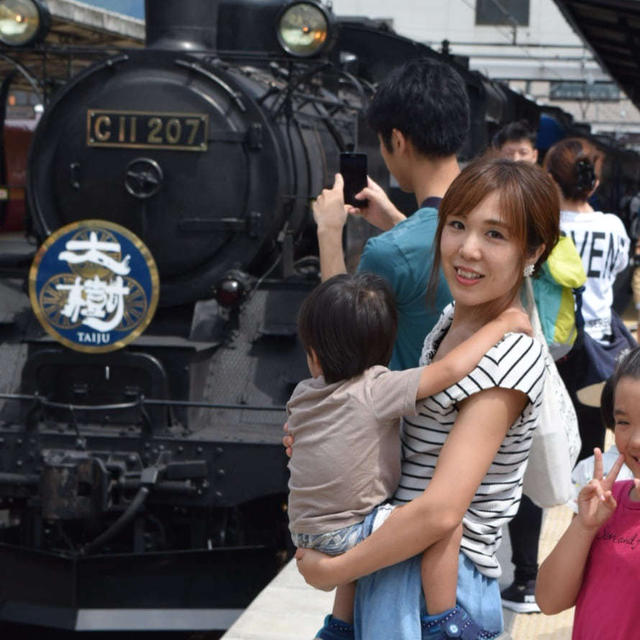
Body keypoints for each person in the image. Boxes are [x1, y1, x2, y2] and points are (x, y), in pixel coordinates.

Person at [295, 158, 560, 640]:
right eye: (457, 225)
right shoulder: (453, 321)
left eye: (495, 235)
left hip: (440, 589)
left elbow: (442, 510)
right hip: (393, 561)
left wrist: (335, 570)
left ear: (533, 252)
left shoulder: (510, 357)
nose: (468, 249)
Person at [288, 272, 532, 639]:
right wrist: (504, 323)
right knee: (445, 526)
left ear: (313, 356)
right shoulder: (376, 387)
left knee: (365, 517)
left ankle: (340, 628)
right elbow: (448, 370)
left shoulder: (304, 393)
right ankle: (444, 621)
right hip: (347, 532)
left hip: (307, 532)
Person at [312, 56, 470, 370]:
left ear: (397, 141)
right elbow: (432, 244)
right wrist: (397, 221)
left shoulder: (390, 252)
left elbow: (339, 351)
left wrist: (329, 231)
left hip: (415, 415)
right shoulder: (498, 217)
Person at [492, 121, 586, 614]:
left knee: (518, 463)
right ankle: (523, 574)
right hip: (545, 347)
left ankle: (524, 574)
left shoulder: (540, 224)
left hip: (532, 348)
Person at [536, 347, 640, 639]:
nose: (635, 440)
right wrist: (583, 527)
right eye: (624, 422)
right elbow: (550, 600)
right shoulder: (607, 502)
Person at [544, 137, 633, 462]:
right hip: (600, 353)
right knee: (591, 442)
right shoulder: (613, 227)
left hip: (555, 351)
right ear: (594, 183)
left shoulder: (546, 229)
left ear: (551, 180)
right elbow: (619, 268)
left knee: (549, 443)